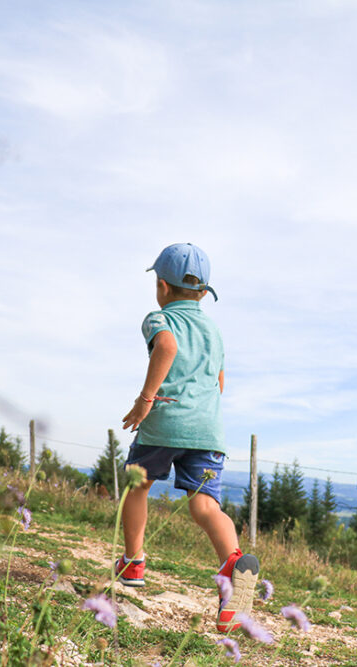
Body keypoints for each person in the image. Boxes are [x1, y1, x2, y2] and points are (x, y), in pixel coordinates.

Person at [117, 242, 259, 633]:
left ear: (162, 286)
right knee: (205, 507)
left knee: (137, 486)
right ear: (203, 293)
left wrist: (146, 399)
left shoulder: (159, 319)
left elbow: (166, 347)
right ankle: (232, 566)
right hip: (208, 428)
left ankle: (133, 564)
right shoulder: (214, 330)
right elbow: (220, 381)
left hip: (167, 419)